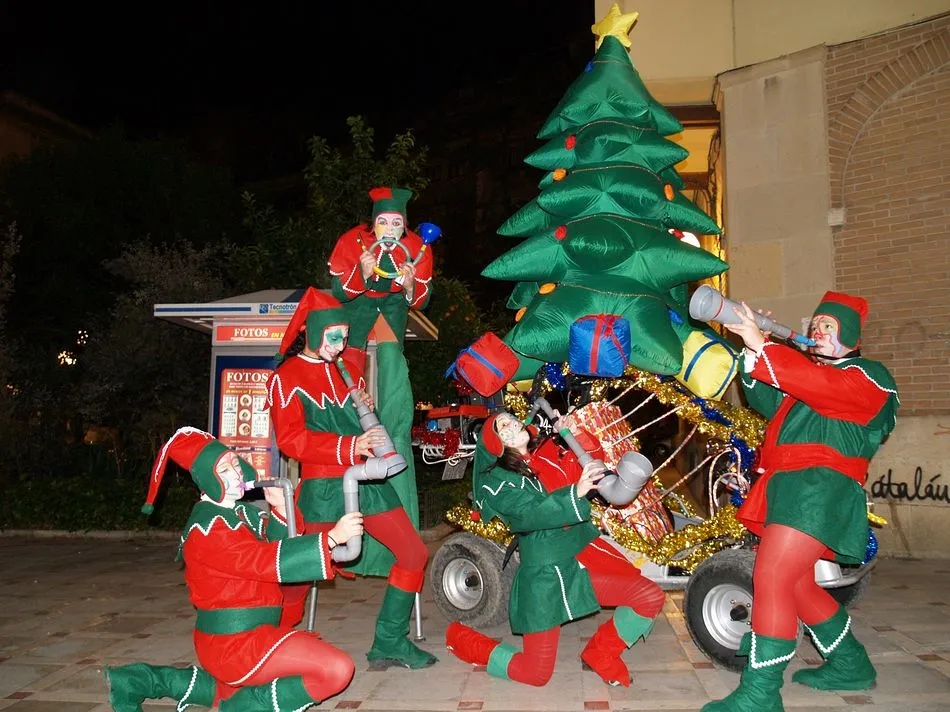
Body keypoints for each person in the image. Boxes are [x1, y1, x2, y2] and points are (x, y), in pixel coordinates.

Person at [703, 291, 899, 712]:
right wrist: (750, 348)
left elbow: (824, 387)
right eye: (814, 327)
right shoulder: (811, 379)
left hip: (820, 486)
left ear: (850, 334)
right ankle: (850, 664)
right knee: (795, 582)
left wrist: (766, 346)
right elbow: (768, 400)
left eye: (828, 327)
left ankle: (760, 694)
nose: (817, 333)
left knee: (771, 577)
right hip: (792, 486)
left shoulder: (868, 375)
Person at [104, 427, 363, 712]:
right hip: (234, 643)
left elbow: (274, 548)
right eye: (225, 468)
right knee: (336, 669)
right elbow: (261, 561)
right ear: (208, 478)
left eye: (235, 463)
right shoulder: (207, 528)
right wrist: (331, 538)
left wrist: (281, 511)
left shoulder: (237, 513)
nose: (238, 473)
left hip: (252, 634)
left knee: (220, 692)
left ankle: (133, 680)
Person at [266, 287, 437, 669]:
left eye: (345, 337)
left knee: (413, 554)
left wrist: (364, 413)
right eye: (333, 337)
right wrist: (351, 443)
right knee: (298, 571)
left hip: (366, 484)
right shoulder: (286, 377)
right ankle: (272, 642)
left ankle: (389, 641)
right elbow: (291, 441)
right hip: (324, 488)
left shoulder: (345, 370)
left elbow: (350, 414)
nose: (341, 345)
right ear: (312, 333)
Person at [444, 411, 666, 687]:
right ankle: (463, 639)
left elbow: (591, 459)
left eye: (513, 419)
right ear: (494, 444)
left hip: (578, 562)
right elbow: (529, 513)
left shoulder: (547, 456)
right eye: (503, 427)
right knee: (535, 674)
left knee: (648, 596)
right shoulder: (497, 481)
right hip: (543, 578)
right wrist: (577, 492)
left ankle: (601, 653)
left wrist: (572, 434)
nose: (513, 424)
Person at [326, 186, 434, 532]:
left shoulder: (418, 248)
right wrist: (361, 271)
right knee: (350, 368)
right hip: (357, 308)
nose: (389, 229)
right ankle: (352, 423)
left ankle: (392, 440)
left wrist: (408, 285)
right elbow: (339, 290)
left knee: (392, 366)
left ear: (405, 227)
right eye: (383, 222)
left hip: (391, 312)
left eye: (396, 223)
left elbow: (423, 300)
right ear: (374, 225)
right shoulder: (353, 241)